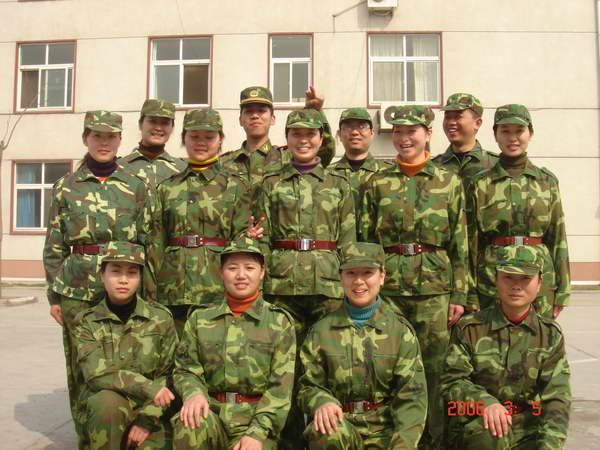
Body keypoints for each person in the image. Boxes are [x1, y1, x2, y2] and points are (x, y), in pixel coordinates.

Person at [359, 105, 469, 449]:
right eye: (398, 132)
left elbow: (460, 242)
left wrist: (460, 295)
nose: (404, 138)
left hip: (435, 291)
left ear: (427, 134)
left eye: (412, 131)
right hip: (389, 290)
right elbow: (366, 243)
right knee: (388, 365)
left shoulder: (448, 181)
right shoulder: (377, 182)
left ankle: (434, 440)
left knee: (434, 370)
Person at [43, 110, 152, 447]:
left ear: (120, 140)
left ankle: (124, 435)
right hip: (78, 288)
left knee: (126, 361)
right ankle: (86, 439)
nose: (104, 143)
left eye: (110, 136)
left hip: (123, 286)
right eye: (97, 136)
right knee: (82, 367)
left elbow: (147, 240)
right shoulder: (66, 187)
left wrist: (146, 291)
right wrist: (54, 296)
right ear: (85, 138)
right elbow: (54, 244)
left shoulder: (135, 185)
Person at [298, 242, 427, 449]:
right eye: (350, 273)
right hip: (341, 425)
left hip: (385, 431)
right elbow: (308, 385)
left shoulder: (400, 332)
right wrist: (322, 401)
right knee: (325, 431)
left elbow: (412, 397)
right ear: (340, 277)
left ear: (382, 276)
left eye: (367, 272)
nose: (358, 281)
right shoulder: (321, 332)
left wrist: (402, 445)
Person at [440, 245, 571, 450]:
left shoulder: (550, 335)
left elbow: (557, 398)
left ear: (539, 283)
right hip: (481, 428)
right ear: (496, 279)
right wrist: (485, 403)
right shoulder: (470, 329)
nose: (516, 286)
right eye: (508, 277)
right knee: (490, 435)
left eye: (525, 278)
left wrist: (550, 445)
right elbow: (451, 381)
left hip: (529, 428)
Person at [172, 237, 296, 450]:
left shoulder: (279, 322)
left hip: (254, 420)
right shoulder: (200, 318)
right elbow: (186, 369)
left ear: (262, 272)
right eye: (232, 268)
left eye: (249, 268)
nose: (241, 275)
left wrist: (257, 433)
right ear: (221, 273)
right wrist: (193, 393)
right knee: (189, 425)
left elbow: (280, 389)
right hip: (211, 413)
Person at [147, 109, 250, 332]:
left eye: (209, 137)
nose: (201, 143)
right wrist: (152, 289)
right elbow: (156, 243)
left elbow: (240, 242)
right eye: (194, 136)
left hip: (216, 288)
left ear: (220, 140)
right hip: (173, 288)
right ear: (184, 138)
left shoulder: (234, 186)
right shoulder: (167, 187)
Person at [467, 104, 570, 319]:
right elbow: (470, 242)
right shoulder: (481, 183)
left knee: (536, 336)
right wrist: (469, 292)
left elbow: (558, 238)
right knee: (491, 336)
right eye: (505, 131)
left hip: (538, 277)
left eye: (519, 131)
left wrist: (563, 289)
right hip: (492, 279)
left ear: (530, 133)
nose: (512, 138)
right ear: (495, 135)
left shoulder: (546, 181)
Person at [74, 242, 178, 450]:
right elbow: (96, 374)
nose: (123, 280)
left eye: (132, 273)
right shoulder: (86, 321)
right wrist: (147, 387)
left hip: (150, 410)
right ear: (102, 275)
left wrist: (147, 418)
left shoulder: (160, 318)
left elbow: (170, 374)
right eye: (115, 272)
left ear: (140, 278)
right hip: (106, 414)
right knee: (107, 402)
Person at [433, 92, 498, 313]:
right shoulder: (434, 169)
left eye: (458, 116)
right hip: (446, 271)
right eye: (447, 117)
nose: (451, 122)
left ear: (477, 123)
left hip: (488, 271)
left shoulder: (495, 167)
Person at [220, 86, 335, 191]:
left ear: (272, 119)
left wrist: (315, 111)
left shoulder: (290, 157)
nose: (255, 116)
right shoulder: (223, 163)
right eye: (249, 111)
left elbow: (324, 151)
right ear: (240, 120)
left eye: (261, 111)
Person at [329, 107, 392, 232]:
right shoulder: (327, 175)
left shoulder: (389, 173)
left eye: (362, 127)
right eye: (348, 127)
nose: (354, 132)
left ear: (372, 133)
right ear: (339, 134)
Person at [119, 98, 186, 192]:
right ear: (140, 124)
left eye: (165, 123)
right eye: (152, 121)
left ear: (172, 128)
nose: (158, 128)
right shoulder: (119, 167)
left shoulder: (183, 170)